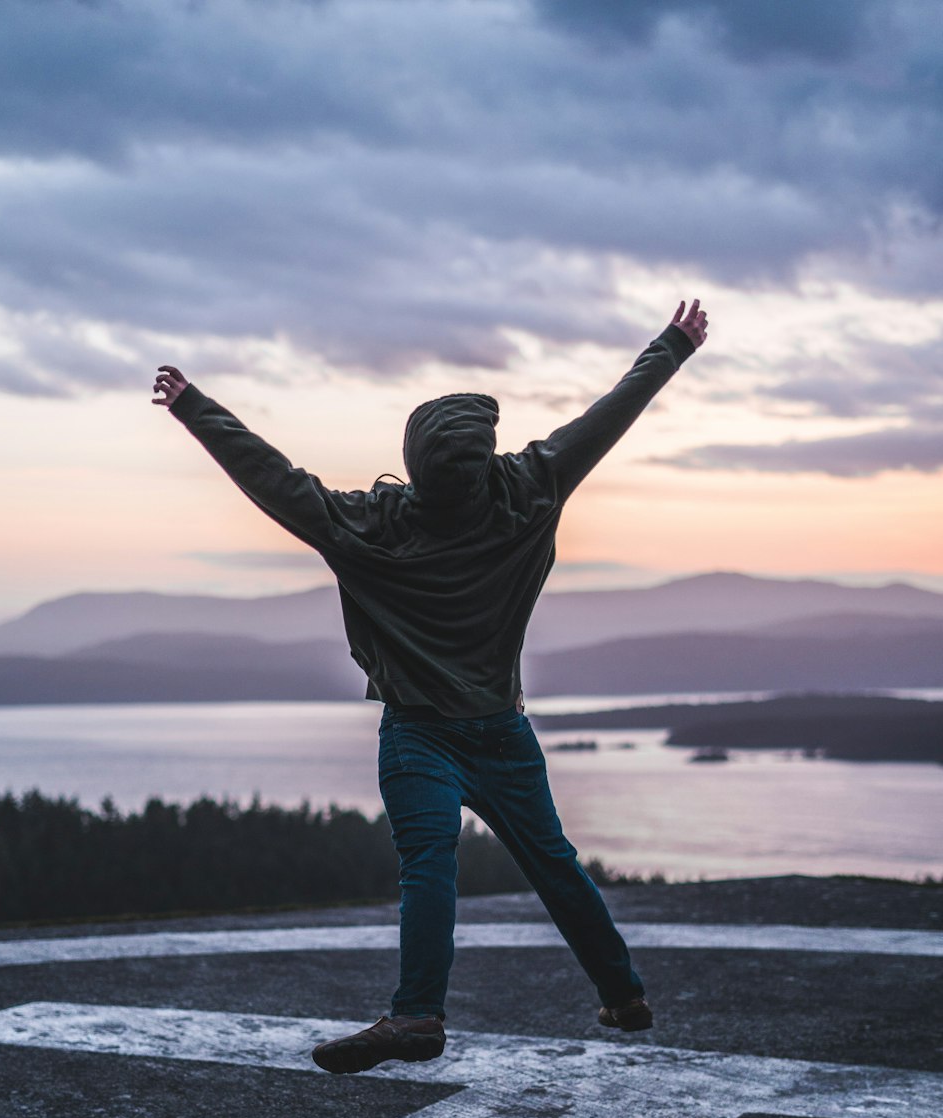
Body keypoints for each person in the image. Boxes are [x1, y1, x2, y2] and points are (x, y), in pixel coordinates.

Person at [153, 298, 708, 1074]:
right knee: (552, 862)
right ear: (482, 458)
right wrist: (673, 345)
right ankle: (624, 994)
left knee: (428, 865)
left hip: (418, 732)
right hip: (502, 732)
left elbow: (273, 478)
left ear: (414, 461)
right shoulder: (530, 492)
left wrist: (194, 408)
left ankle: (417, 1016)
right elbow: (609, 415)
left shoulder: (368, 526)